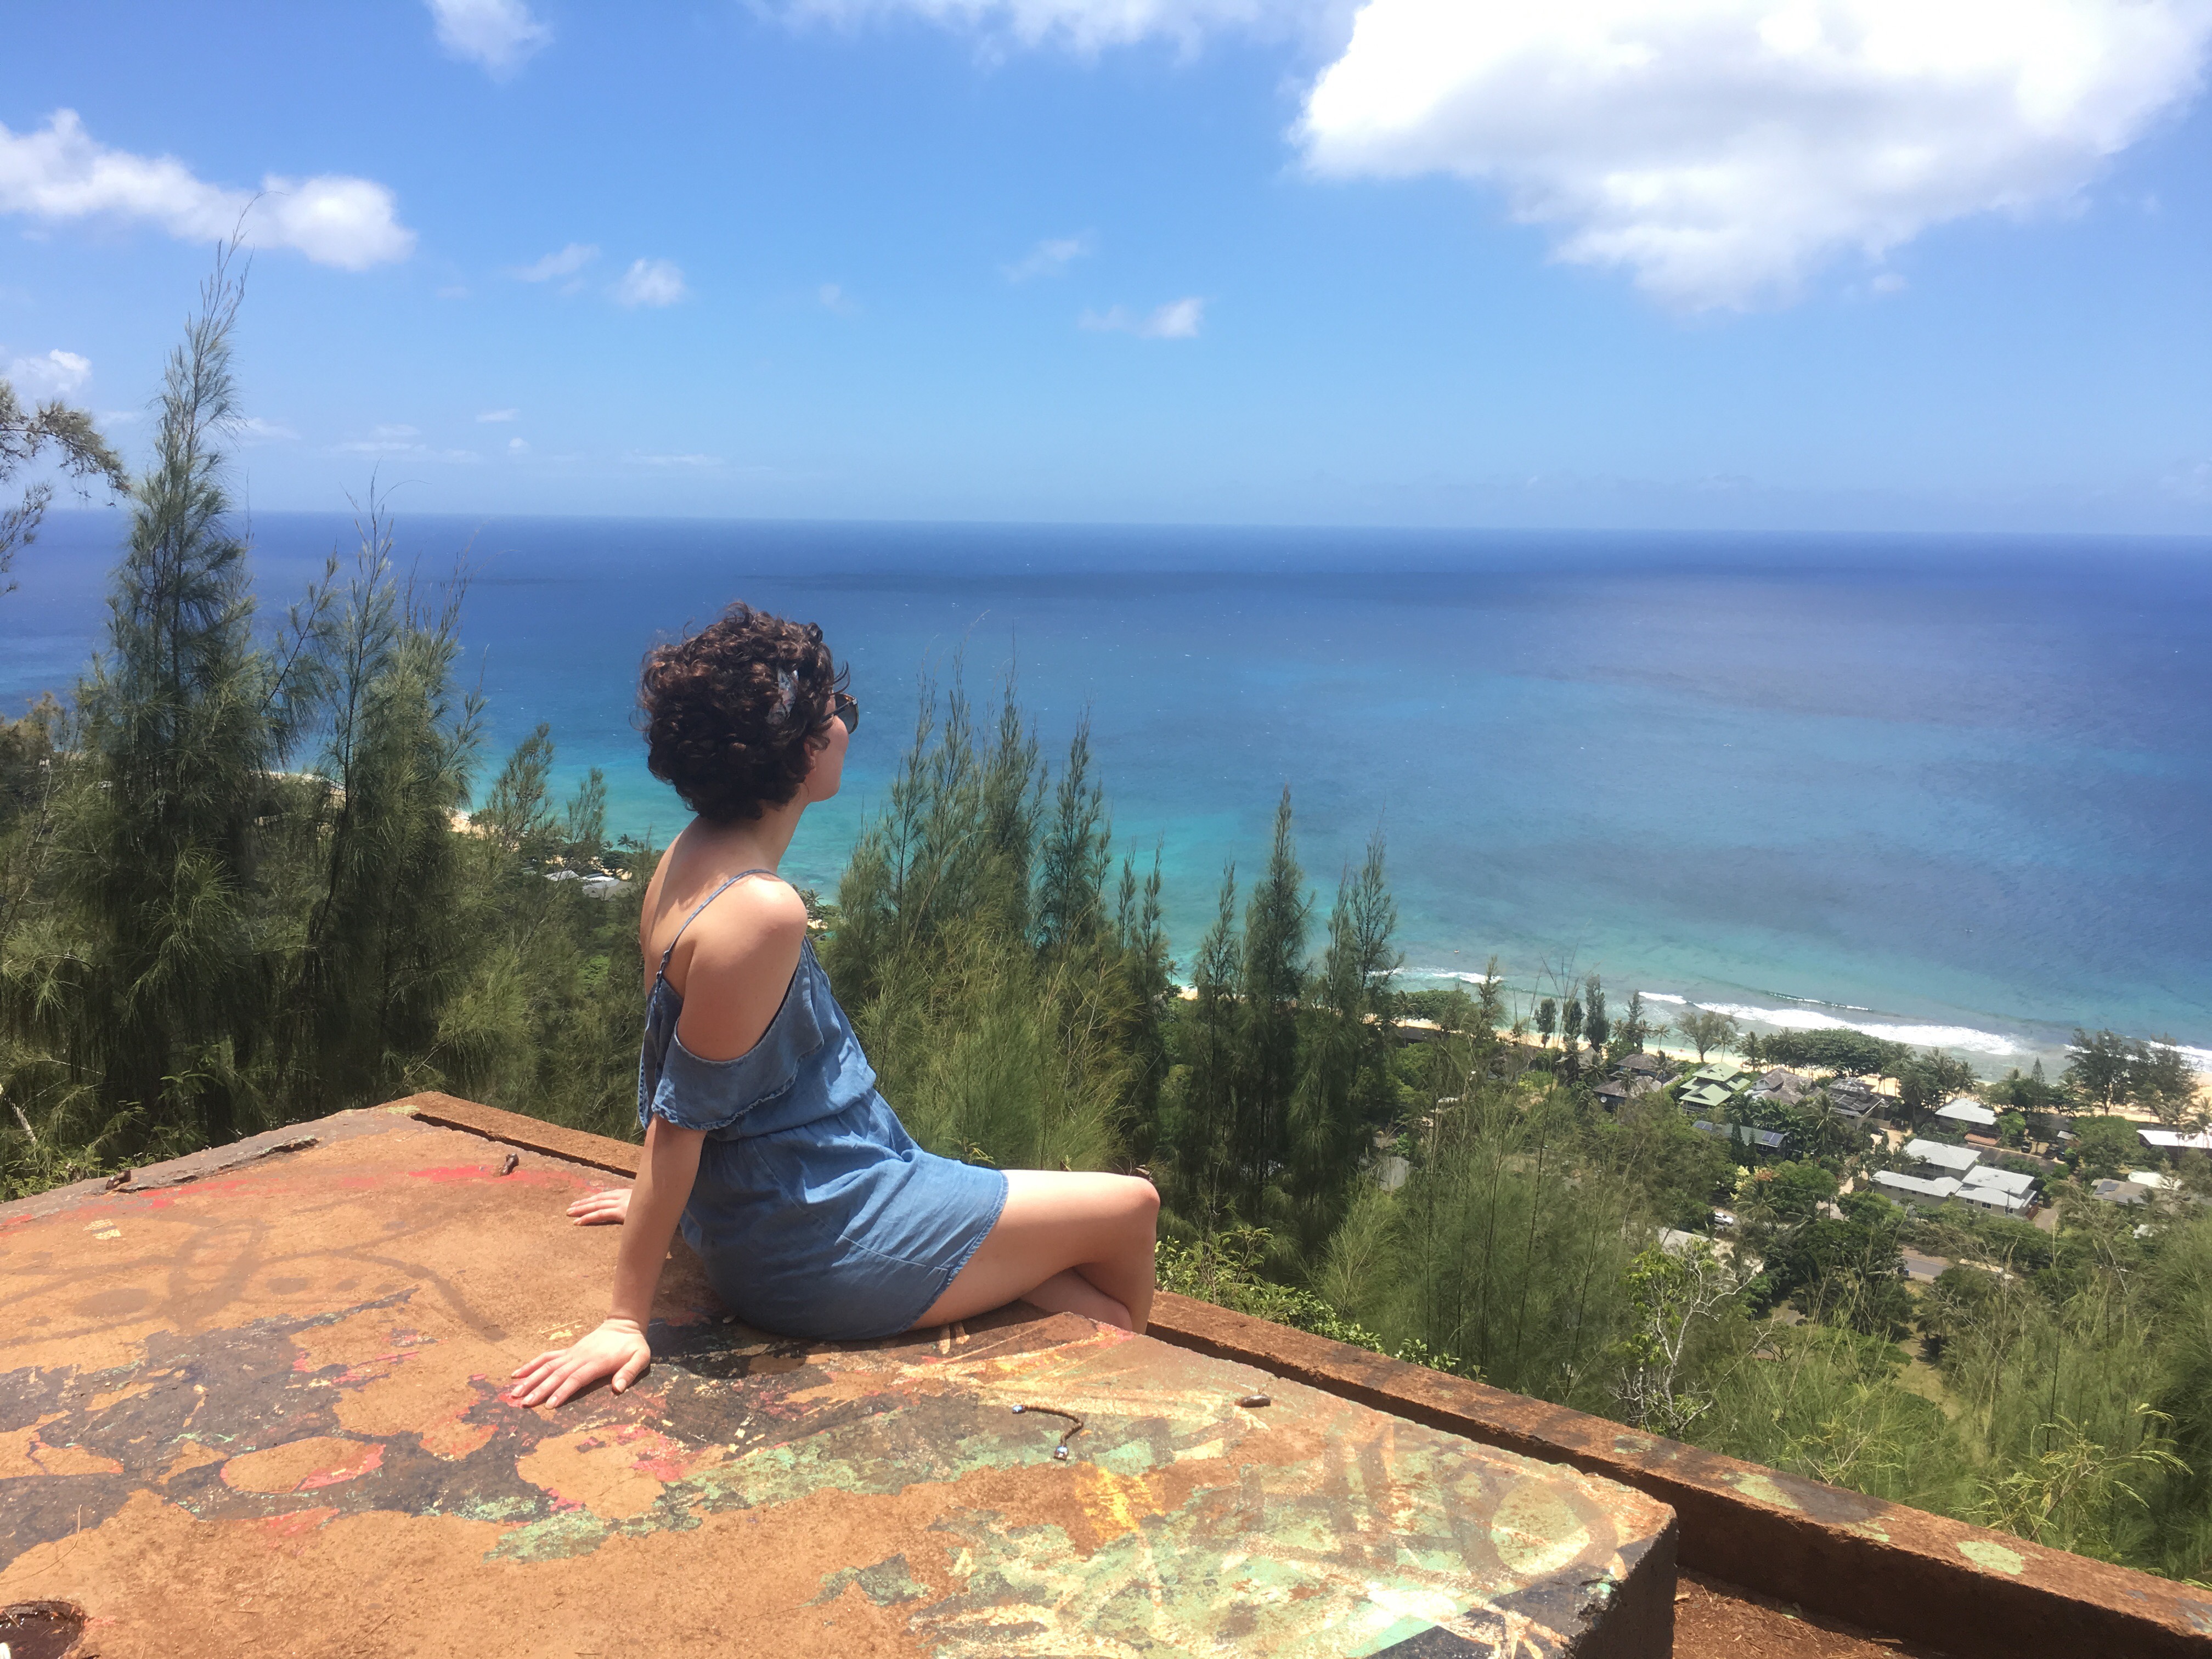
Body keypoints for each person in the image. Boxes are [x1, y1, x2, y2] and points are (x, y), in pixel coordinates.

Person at [507, 603, 1159, 1410]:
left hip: (797, 1200)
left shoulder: (690, 855)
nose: (845, 724)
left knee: (1081, 1299)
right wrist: (622, 1317)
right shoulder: (761, 912)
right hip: (821, 1239)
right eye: (837, 713)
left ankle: (1088, 1331)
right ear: (803, 751)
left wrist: (677, 1211)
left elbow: (691, 1075)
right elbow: (679, 1122)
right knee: (1133, 1207)